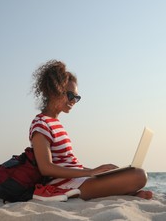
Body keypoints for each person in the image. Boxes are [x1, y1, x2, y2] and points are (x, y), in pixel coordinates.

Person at [29, 60, 153, 200]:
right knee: (139, 175)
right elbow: (46, 168)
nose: (73, 101)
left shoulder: (55, 123)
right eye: (70, 96)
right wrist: (90, 173)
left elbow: (70, 165)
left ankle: (129, 192)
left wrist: (98, 171)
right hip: (64, 185)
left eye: (76, 98)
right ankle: (130, 193)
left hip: (77, 181)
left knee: (133, 173)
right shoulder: (41, 123)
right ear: (53, 92)